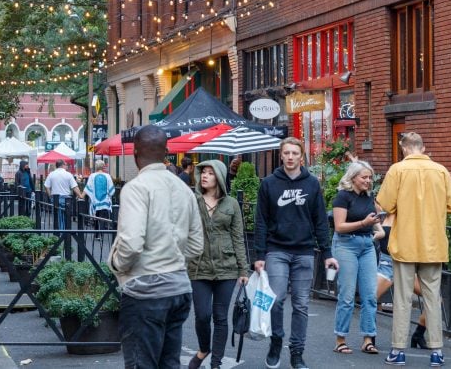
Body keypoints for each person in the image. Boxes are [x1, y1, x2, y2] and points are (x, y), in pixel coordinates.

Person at [109, 125, 204, 368]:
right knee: (169, 363)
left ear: (134, 152)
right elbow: (195, 247)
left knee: (141, 364)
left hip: (144, 291)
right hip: (178, 288)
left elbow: (131, 245)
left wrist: (117, 265)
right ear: (167, 152)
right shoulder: (185, 190)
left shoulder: (136, 188)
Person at [376, 132, 451, 367]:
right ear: (422, 148)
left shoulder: (397, 170)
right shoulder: (441, 171)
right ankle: (437, 352)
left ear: (404, 149)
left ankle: (398, 350)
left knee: (402, 298)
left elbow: (385, 203)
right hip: (433, 243)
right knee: (432, 297)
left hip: (405, 242)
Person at [254, 137, 337, 369]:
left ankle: (297, 352)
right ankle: (276, 341)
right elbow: (260, 221)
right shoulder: (269, 183)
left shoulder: (311, 184)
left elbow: (320, 220)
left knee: (301, 304)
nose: (290, 157)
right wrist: (259, 255)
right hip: (277, 250)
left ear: (302, 156)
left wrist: (328, 252)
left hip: (304, 251)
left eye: (295, 153)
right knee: (277, 299)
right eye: (286, 153)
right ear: (281, 155)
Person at [186, 160, 249, 369]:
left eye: (210, 173)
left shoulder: (231, 204)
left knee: (221, 317)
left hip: (227, 268)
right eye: (203, 172)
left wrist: (243, 269)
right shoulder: (193, 201)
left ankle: (216, 363)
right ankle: (204, 348)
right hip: (198, 266)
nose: (204, 176)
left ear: (219, 177)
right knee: (202, 315)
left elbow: (238, 237)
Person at [330, 161, 381, 356]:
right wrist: (363, 223)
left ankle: (368, 339)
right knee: (348, 295)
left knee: (369, 294)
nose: (368, 181)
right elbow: (339, 226)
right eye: (364, 177)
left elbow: (376, 218)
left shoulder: (370, 196)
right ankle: (340, 339)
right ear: (353, 178)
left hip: (367, 245)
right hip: (345, 244)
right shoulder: (342, 197)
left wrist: (377, 229)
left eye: (370, 177)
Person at [375, 215, 429, 349]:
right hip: (386, 265)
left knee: (435, 301)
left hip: (406, 265)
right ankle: (370, 338)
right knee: (369, 299)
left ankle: (418, 334)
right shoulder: (383, 210)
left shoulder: (412, 211)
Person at [44, 160, 81, 230]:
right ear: (62, 165)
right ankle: (65, 233)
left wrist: (50, 196)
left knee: (57, 217)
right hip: (66, 199)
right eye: (66, 165)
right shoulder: (68, 174)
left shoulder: (51, 174)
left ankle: (59, 234)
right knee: (66, 217)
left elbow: (46, 186)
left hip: (55, 198)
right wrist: (80, 196)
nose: (67, 166)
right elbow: (75, 187)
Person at [83, 160, 115, 233]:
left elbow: (88, 187)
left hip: (95, 201)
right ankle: (102, 233)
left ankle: (97, 233)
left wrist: (82, 196)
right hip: (105, 200)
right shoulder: (107, 176)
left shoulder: (92, 176)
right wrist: (109, 195)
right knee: (103, 217)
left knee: (96, 216)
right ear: (103, 166)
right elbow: (112, 189)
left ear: (96, 166)